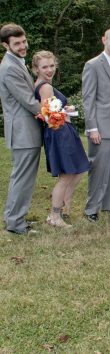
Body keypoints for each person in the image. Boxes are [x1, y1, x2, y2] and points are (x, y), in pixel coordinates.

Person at [33, 51, 90, 227]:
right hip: (59, 132)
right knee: (66, 176)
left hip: (62, 131)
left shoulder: (45, 85)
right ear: (36, 69)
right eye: (44, 67)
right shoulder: (45, 87)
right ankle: (54, 216)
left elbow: (52, 109)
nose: (49, 70)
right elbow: (48, 114)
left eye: (51, 65)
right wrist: (65, 113)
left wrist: (66, 109)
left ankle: (65, 205)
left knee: (78, 169)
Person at [82, 28, 110, 222]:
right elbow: (88, 99)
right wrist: (92, 127)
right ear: (104, 40)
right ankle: (91, 208)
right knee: (99, 167)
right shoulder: (92, 65)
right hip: (101, 126)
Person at [0, 23, 42, 234]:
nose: (23, 46)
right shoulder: (9, 68)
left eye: (24, 41)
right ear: (5, 45)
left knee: (20, 176)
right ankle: (16, 223)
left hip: (26, 130)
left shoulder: (16, 62)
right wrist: (55, 114)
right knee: (23, 178)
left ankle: (12, 217)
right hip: (23, 131)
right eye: (17, 43)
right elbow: (29, 101)